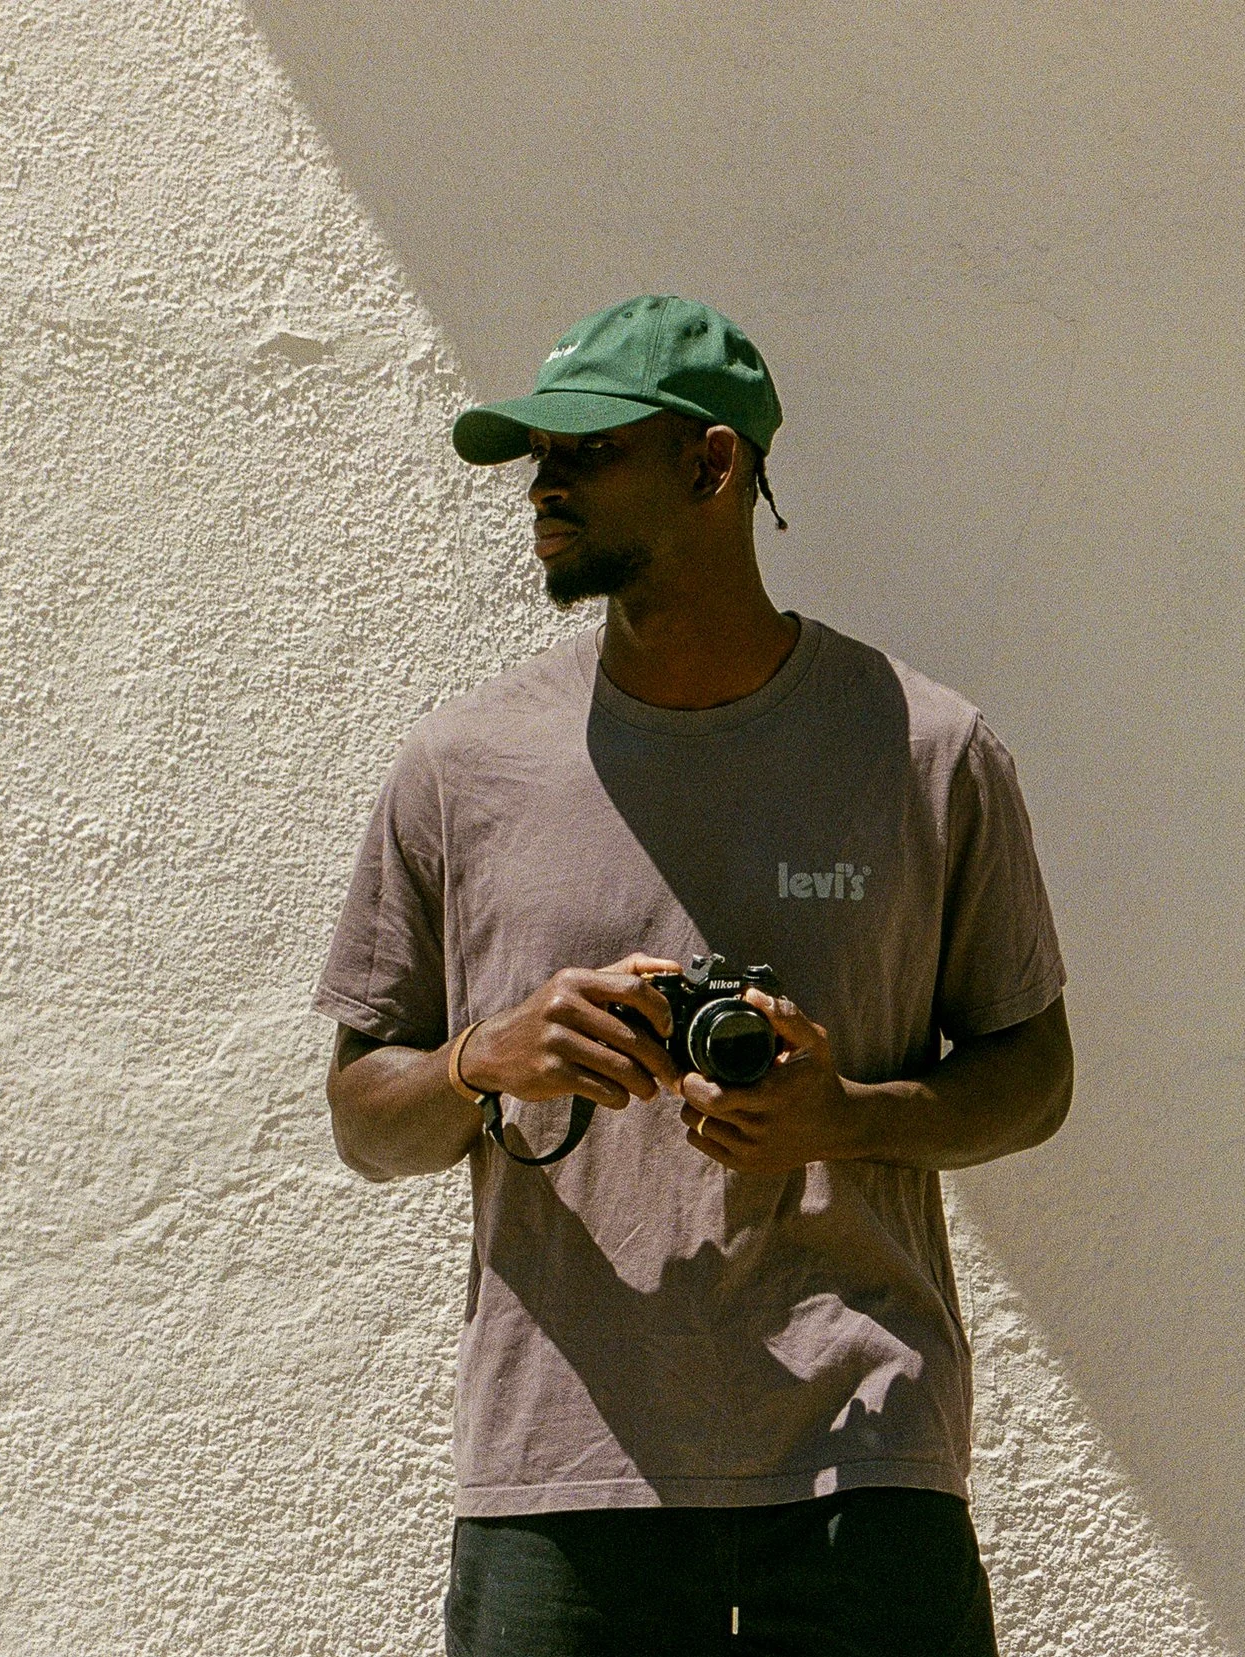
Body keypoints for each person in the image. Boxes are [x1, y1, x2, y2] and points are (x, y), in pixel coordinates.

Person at [316, 294, 1072, 1656]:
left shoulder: (927, 753)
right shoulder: (462, 768)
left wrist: (848, 1116)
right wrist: (489, 1059)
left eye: (585, 452)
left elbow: (1035, 1073)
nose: (540, 484)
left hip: (863, 1461)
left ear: (712, 468)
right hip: (562, 1469)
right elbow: (364, 1115)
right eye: (533, 455)